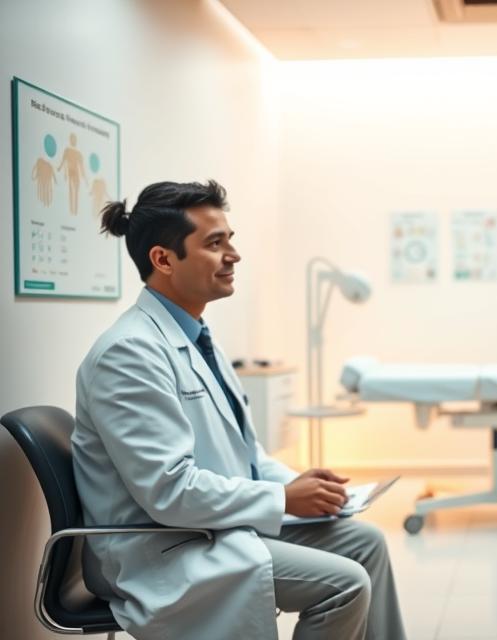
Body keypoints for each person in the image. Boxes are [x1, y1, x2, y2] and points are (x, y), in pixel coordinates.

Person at [72, 180, 407, 640]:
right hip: (160, 548)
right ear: (164, 259)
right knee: (343, 585)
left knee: (365, 543)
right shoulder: (128, 353)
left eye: (230, 239)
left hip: (208, 528)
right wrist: (285, 500)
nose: (234, 255)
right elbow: (168, 491)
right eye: (215, 243)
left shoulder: (197, 339)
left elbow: (246, 455)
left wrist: (299, 484)